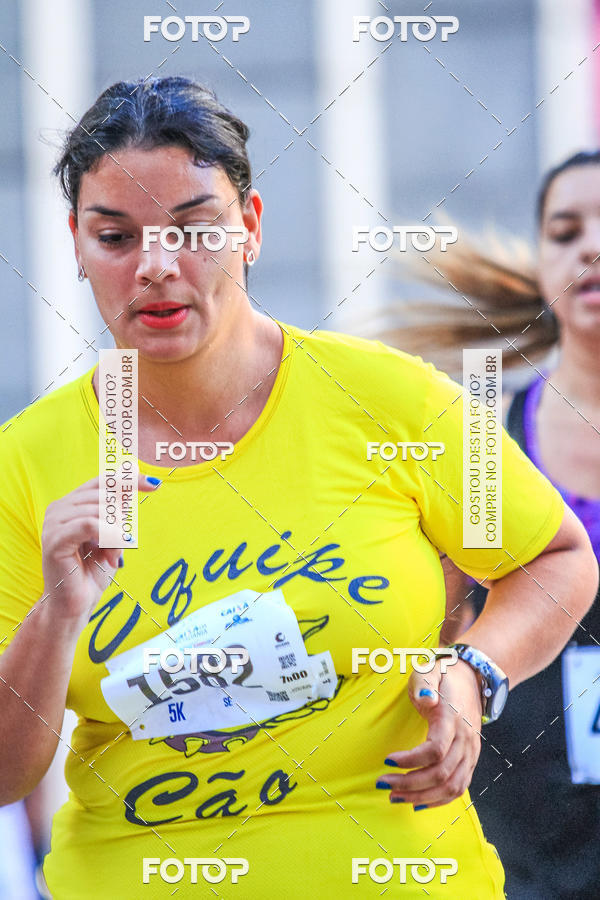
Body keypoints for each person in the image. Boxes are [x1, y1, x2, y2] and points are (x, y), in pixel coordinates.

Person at [0, 78, 596, 899]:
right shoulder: (24, 463)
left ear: (248, 225)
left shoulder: (397, 397)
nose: (157, 266)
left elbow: (555, 557)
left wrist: (474, 672)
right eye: (117, 236)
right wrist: (59, 611)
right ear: (75, 242)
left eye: (194, 227)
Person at [377, 151, 600, 898]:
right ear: (542, 265)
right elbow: (430, 625)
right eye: (566, 232)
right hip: (528, 839)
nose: (589, 248)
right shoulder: (484, 445)